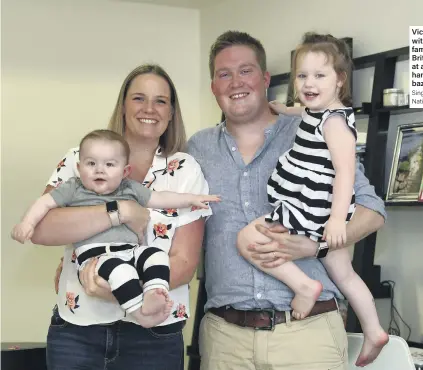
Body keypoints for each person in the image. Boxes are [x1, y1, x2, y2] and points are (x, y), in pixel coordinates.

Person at [187, 30, 387, 370]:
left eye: (246, 70)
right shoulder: (198, 148)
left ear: (265, 78)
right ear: (213, 86)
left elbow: (372, 211)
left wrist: (316, 247)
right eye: (224, 73)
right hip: (225, 341)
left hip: (308, 336)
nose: (236, 81)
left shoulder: (315, 128)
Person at [31, 64, 211, 370]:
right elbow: (42, 229)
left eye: (161, 101)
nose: (149, 109)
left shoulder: (185, 169)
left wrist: (117, 292)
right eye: (139, 98)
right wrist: (119, 212)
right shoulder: (80, 159)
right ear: (124, 106)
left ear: (171, 113)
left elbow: (184, 262)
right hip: (79, 330)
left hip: (154, 335)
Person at [12, 129, 219, 328]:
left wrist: (193, 198)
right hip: (98, 257)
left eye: (109, 164)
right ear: (79, 167)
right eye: (91, 163)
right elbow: (45, 203)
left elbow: (161, 198)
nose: (99, 169)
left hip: (130, 250)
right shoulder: (74, 188)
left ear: (124, 171)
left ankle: (154, 291)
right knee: (122, 272)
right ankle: (141, 313)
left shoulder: (128, 187)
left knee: (155, 255)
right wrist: (27, 224)